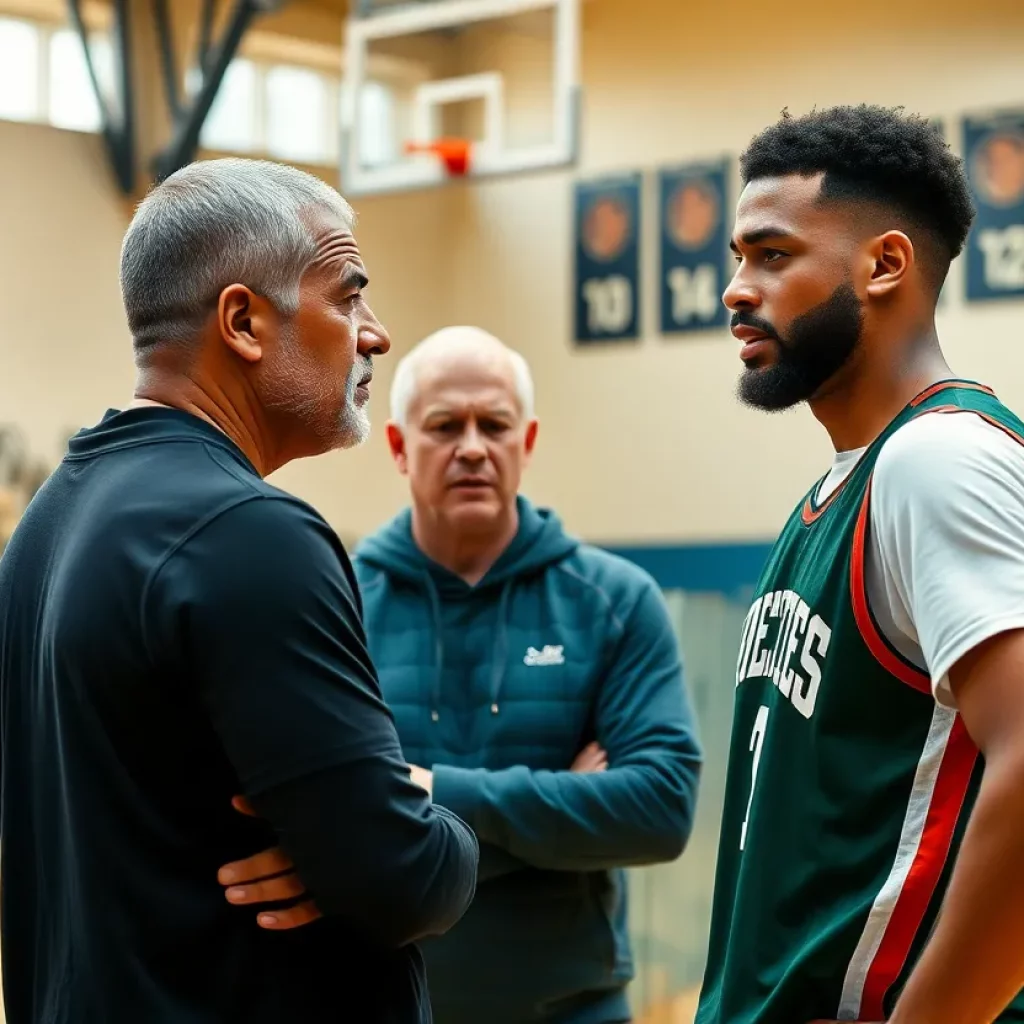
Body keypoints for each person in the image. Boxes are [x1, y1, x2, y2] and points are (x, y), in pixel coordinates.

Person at [0, 158, 478, 1024]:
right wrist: (431, 826)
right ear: (244, 321)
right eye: (349, 294)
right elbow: (402, 882)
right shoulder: (249, 533)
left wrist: (342, 842)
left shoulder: (47, 522)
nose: (375, 333)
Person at [223, 326, 703, 1024]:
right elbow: (299, 825)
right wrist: (562, 815)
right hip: (380, 1004)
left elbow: (659, 810)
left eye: (494, 425)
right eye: (445, 426)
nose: (472, 447)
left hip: (572, 1009)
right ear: (398, 447)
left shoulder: (616, 601)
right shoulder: (336, 607)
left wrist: (425, 794)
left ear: (526, 441)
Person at [696, 104, 1024, 1024]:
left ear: (884, 265)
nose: (735, 288)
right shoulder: (844, 487)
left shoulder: (941, 462)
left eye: (771, 255)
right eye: (737, 258)